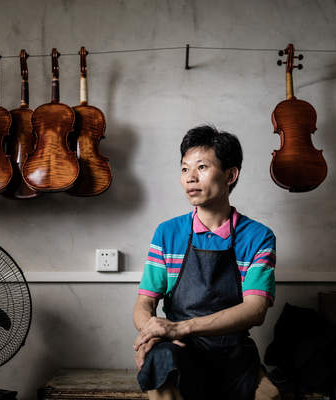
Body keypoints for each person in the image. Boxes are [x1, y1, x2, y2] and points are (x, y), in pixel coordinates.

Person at [132, 125, 280, 400]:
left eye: (201, 167)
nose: (190, 178)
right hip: (180, 351)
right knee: (160, 357)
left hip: (233, 354)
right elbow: (144, 303)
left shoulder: (258, 237)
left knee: (270, 397)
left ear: (230, 174)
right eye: (185, 169)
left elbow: (255, 310)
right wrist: (149, 332)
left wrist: (182, 326)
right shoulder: (167, 234)